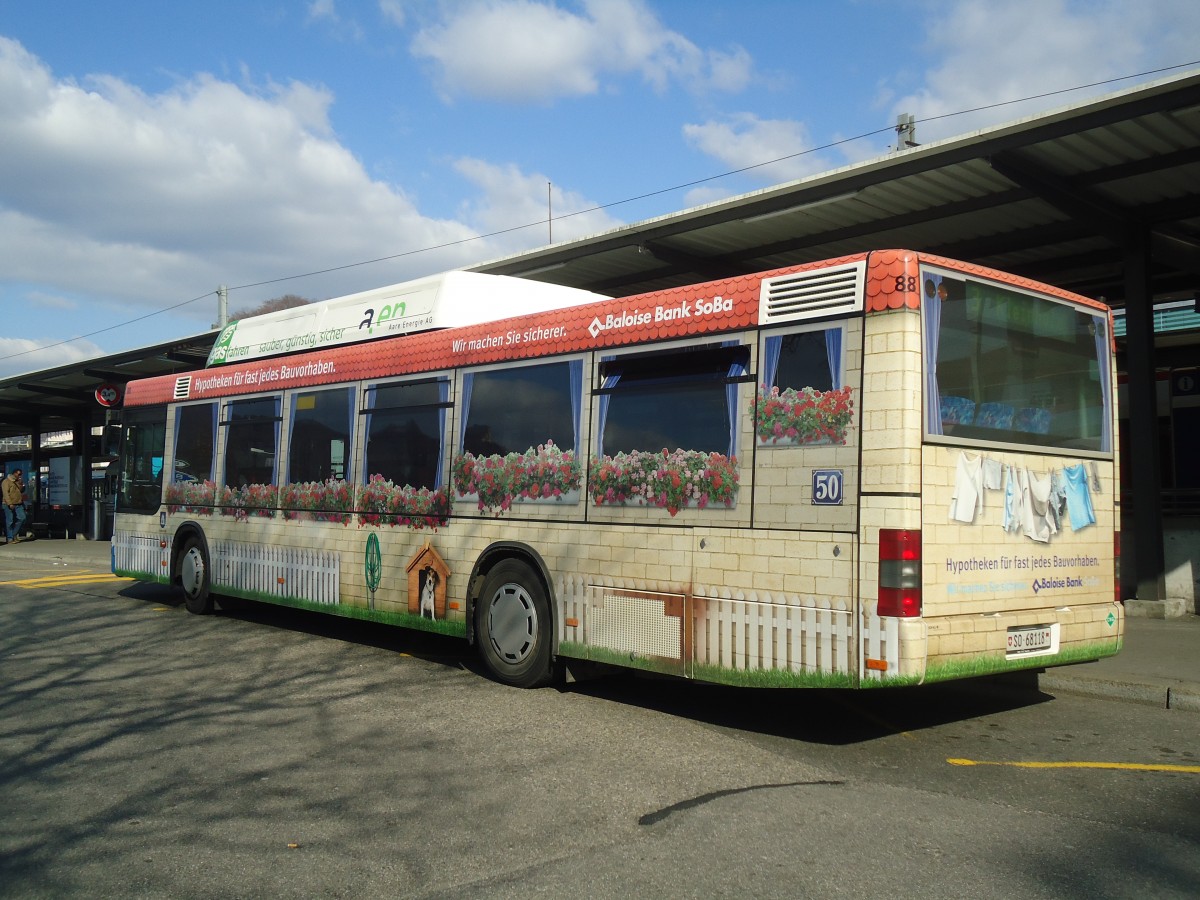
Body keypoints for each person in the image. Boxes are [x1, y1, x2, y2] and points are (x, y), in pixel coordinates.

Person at [2, 467, 28, 544]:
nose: (19, 476)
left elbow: (21, 491)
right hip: (8, 504)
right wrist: (9, 503)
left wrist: (22, 484)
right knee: (10, 521)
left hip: (18, 503)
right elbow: (5, 493)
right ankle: (10, 538)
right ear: (14, 473)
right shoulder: (6, 481)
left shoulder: (18, 481)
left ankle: (14, 534)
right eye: (18, 474)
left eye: (21, 474)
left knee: (22, 518)